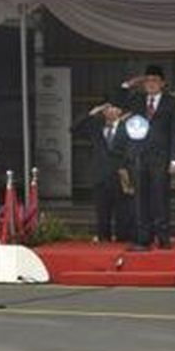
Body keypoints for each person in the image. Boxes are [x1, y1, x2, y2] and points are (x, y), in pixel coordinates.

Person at [121, 66, 175, 250]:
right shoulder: (137, 100)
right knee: (140, 198)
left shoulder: (170, 102)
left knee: (160, 197)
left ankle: (163, 236)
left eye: (155, 80)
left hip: (161, 158)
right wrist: (129, 84)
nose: (151, 84)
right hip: (139, 156)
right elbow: (116, 100)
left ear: (162, 83)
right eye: (147, 80)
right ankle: (143, 238)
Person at [71, 91, 133, 243]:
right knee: (102, 215)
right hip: (100, 176)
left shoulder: (128, 127)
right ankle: (103, 242)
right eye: (107, 108)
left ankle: (122, 242)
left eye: (114, 108)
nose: (110, 111)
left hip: (121, 176)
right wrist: (92, 113)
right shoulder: (95, 126)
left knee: (123, 215)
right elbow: (73, 129)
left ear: (120, 110)